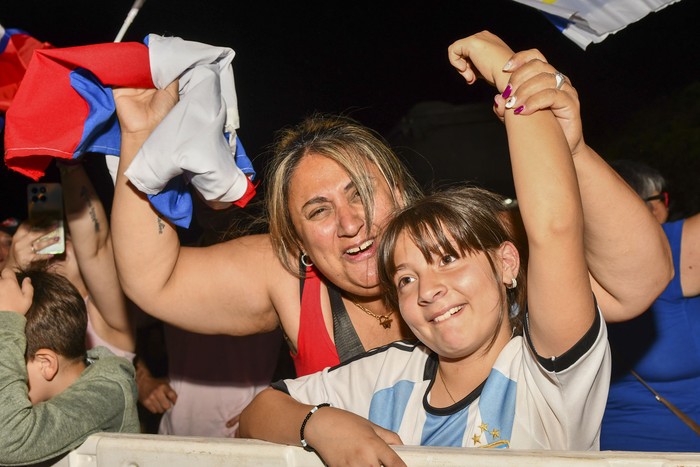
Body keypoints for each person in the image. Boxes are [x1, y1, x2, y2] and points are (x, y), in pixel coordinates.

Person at [110, 31, 671, 378]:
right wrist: (143, 138)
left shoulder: (470, 243)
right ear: (297, 243)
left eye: (361, 192)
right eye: (318, 211)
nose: (350, 224)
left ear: (401, 193)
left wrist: (571, 149)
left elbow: (637, 282)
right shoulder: (287, 280)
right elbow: (152, 280)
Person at [238, 31, 610, 465]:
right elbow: (256, 414)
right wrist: (319, 424)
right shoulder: (391, 374)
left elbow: (554, 226)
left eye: (448, 259)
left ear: (507, 263)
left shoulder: (549, 375)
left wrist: (507, 72)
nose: (428, 290)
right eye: (407, 278)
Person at [601, 159, 700, 451]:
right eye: (661, 198)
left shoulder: (566, 266)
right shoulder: (672, 249)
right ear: (652, 206)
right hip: (668, 449)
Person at [0, 267, 139, 466]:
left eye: (5, 361)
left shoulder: (106, 394)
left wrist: (7, 324)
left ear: (45, 364)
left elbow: (8, 441)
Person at [5, 161, 136, 360]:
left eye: (64, 241)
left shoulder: (104, 320)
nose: (54, 256)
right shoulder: (24, 317)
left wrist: (70, 165)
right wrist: (13, 269)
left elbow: (96, 247)